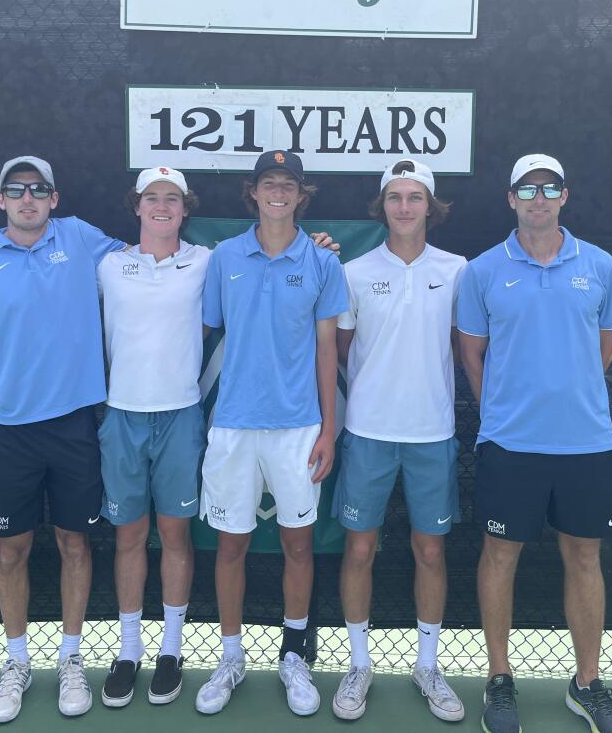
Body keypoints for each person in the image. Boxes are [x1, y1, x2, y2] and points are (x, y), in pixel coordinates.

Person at [457, 154, 612, 733]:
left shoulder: (600, 266)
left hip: (585, 443)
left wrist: (566, 396)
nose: (538, 197)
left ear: (564, 196)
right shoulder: (483, 270)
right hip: (510, 444)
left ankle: (587, 685)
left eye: (548, 188)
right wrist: (504, 411)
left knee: (585, 556)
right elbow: (472, 355)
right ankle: (499, 681)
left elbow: (603, 348)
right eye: (526, 189)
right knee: (499, 555)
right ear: (510, 200)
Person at [0, 156, 125, 724]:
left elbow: (151, 253)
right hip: (9, 431)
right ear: (1, 199)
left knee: (76, 546)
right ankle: (17, 664)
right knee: (13, 551)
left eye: (39, 189)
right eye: (16, 190)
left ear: (55, 197)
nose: (28, 198)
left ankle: (71, 659)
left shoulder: (81, 239)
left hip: (76, 424)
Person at [194, 149, 348, 718]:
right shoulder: (224, 258)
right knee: (230, 545)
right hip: (232, 425)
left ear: (300, 195)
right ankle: (230, 657)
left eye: (288, 184)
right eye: (268, 183)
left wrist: (329, 430)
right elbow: (211, 327)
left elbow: (328, 349)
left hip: (298, 428)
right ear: (253, 192)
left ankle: (294, 656)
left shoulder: (322, 261)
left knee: (298, 543)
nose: (278, 192)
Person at [329, 160, 467, 723]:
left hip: (434, 434)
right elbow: (341, 350)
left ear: (431, 207)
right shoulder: (355, 272)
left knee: (429, 550)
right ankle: (359, 664)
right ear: (381, 206)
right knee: (359, 549)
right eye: (394, 198)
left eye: (415, 197)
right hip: (367, 434)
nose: (405, 207)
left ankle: (427, 665)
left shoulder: (460, 270)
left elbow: (467, 344)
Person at [96, 166, 209, 708]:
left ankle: (170, 649)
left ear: (185, 209)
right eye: (151, 197)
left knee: (177, 537)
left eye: (172, 198)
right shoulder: (108, 265)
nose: (161, 205)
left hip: (182, 417)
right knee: (128, 538)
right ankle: (129, 651)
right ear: (136, 206)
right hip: (122, 417)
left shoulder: (205, 262)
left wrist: (322, 242)